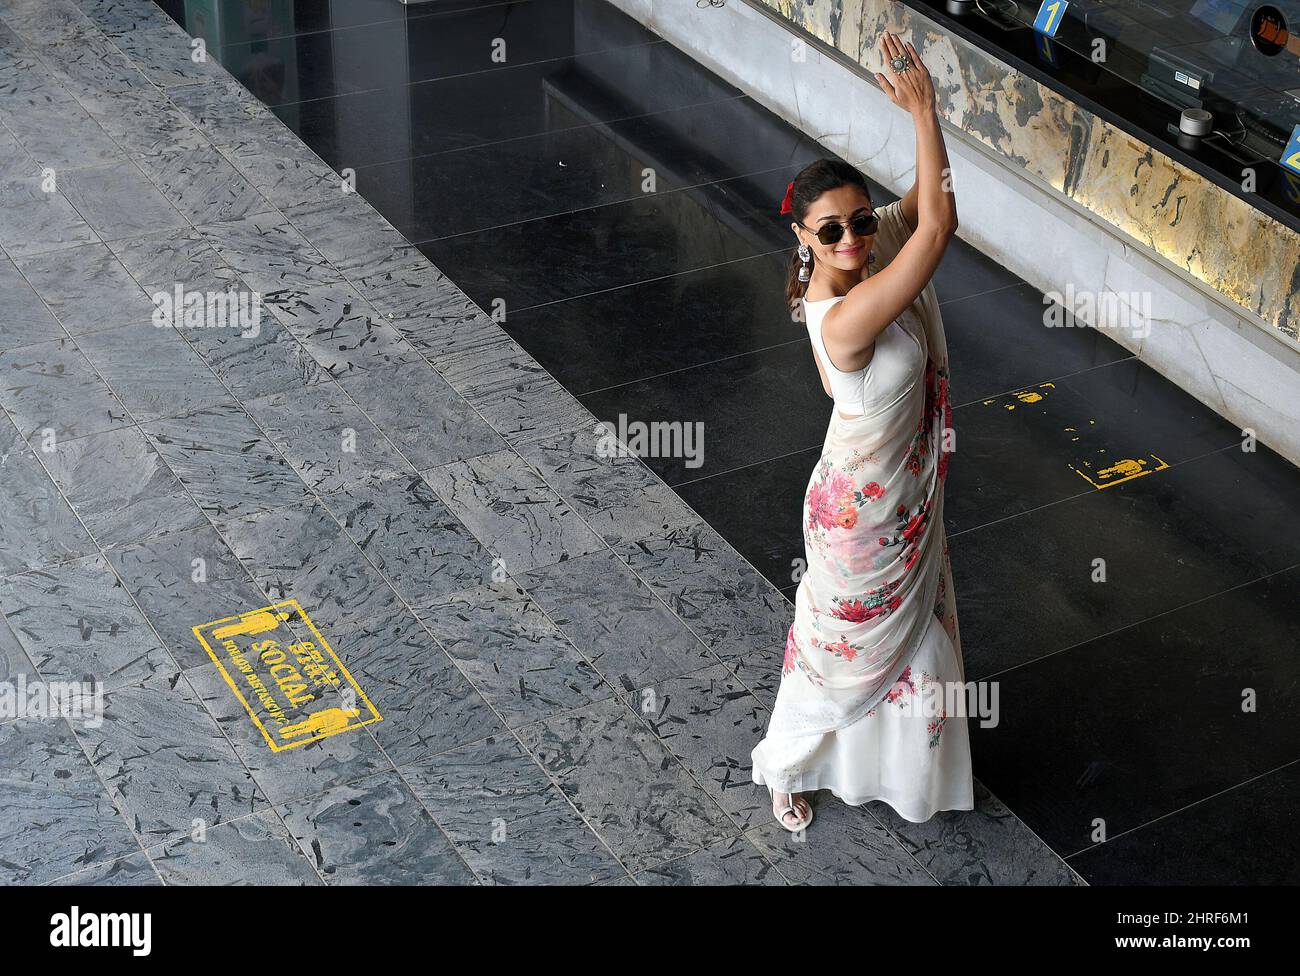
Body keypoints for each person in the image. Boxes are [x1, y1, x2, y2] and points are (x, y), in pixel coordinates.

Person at [751, 31, 973, 831]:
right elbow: (939, 233)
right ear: (802, 240)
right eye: (832, 232)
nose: (854, 239)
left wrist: (926, 129)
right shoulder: (844, 315)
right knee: (837, 666)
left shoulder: (866, 253)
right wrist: (926, 109)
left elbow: (930, 199)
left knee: (914, 654)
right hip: (861, 522)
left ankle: (900, 777)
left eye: (858, 221)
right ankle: (783, 764)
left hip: (898, 499)